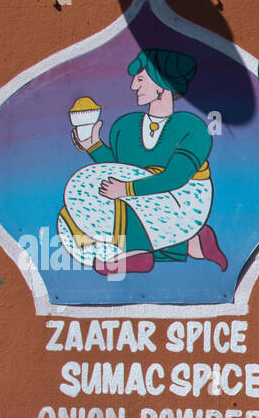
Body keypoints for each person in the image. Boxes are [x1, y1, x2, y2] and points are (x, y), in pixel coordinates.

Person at [59, 48, 228, 276]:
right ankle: (188, 244)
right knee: (70, 215)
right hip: (144, 199)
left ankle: (138, 253)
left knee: (121, 200)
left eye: (140, 79)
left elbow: (174, 177)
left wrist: (125, 189)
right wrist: (93, 144)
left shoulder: (193, 128)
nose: (133, 86)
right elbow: (119, 170)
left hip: (184, 201)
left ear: (162, 83)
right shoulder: (125, 126)